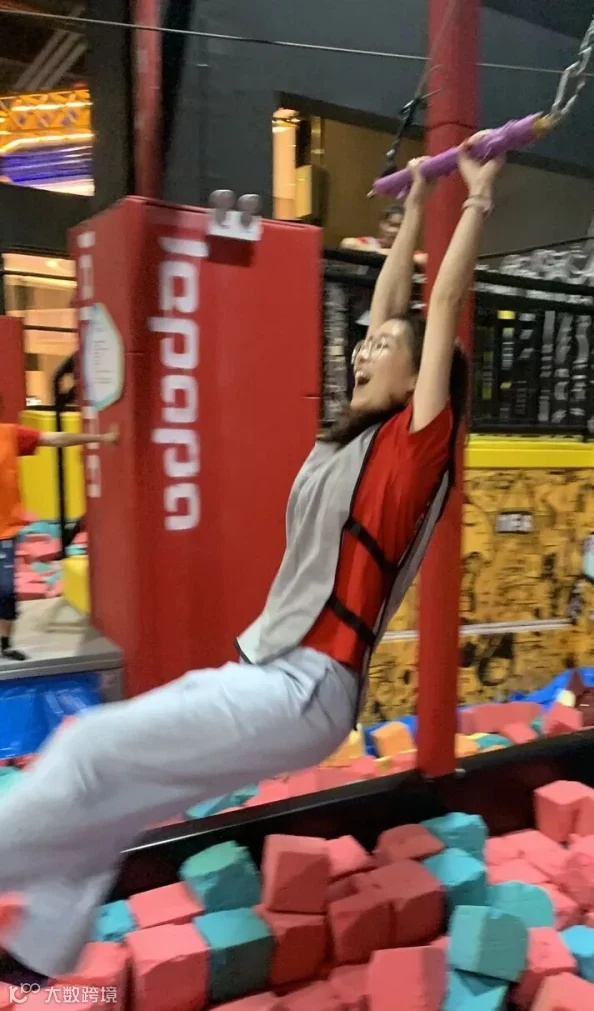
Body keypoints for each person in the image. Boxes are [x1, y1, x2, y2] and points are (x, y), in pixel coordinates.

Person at [0, 140, 504, 982]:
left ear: (420, 372)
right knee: (115, 793)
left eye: (384, 347)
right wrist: (416, 202)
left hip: (306, 685)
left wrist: (476, 198)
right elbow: (392, 307)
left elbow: (440, 304)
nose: (363, 350)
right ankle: (41, 951)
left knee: (90, 751)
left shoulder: (415, 449)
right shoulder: (352, 439)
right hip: (273, 673)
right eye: (367, 343)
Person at [0, 406, 117, 662]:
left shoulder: (9, 435)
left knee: (6, 590)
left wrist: (100, 438)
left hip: (4, 529)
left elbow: (55, 438)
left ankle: (5, 643)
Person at [341, 202, 427, 268]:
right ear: (382, 224)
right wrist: (380, 251)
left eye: (402, 227)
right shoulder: (368, 243)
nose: (396, 231)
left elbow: (424, 259)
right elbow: (347, 243)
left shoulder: (411, 252)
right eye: (393, 225)